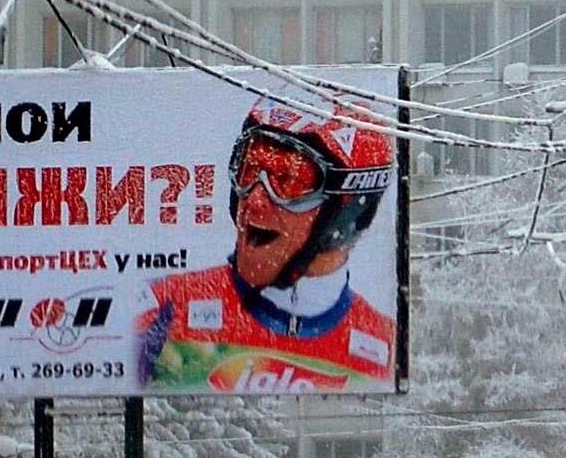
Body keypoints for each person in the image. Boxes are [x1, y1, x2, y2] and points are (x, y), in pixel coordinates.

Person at [136, 97, 396, 390]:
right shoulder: (165, 307)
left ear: (347, 212)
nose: (255, 199)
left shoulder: (384, 344)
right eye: (249, 169)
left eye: (289, 180)